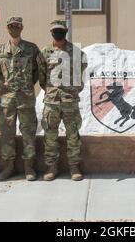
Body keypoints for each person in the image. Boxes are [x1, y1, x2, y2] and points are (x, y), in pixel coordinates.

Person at [38, 20, 87, 181]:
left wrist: (71, 92)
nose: (57, 33)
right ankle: (52, 167)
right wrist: (52, 92)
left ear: (65, 31)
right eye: (54, 30)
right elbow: (42, 77)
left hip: (70, 102)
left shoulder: (77, 53)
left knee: (73, 135)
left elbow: (81, 77)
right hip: (51, 102)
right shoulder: (45, 52)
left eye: (60, 30)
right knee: (50, 135)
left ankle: (74, 166)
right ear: (51, 32)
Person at [0, 16, 40, 181]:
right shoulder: (0, 51)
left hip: (25, 98)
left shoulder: (32, 49)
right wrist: (2, 85)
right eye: (11, 26)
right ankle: (9, 166)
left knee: (28, 132)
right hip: (7, 99)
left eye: (17, 25)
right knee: (7, 133)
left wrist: (27, 84)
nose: (14, 28)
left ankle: (29, 167)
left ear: (22, 27)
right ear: (7, 28)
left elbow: (37, 71)